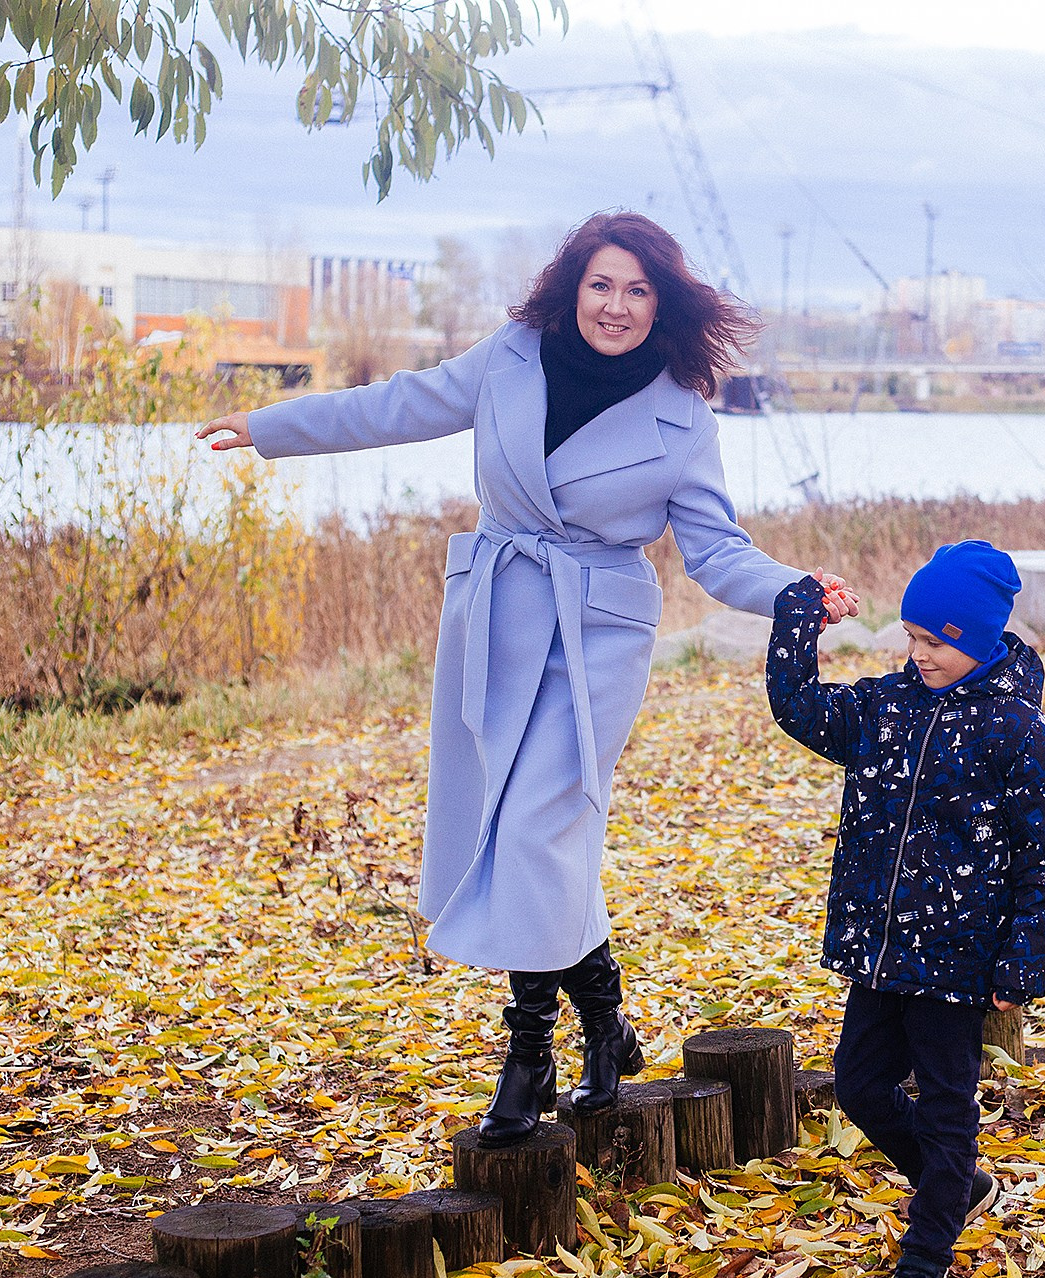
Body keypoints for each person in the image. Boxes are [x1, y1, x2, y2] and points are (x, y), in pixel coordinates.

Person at [197, 212, 859, 1146]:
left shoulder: (682, 416)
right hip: (502, 616)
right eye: (601, 284)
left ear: (661, 304)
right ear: (571, 287)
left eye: (638, 290)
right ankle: (606, 1028)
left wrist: (794, 588)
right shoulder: (512, 355)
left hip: (597, 635)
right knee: (527, 835)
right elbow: (397, 404)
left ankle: (529, 1053)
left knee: (543, 826)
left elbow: (715, 553)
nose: (616, 305)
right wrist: (269, 427)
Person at [764, 540, 1045, 1278]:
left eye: (934, 641)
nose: (918, 653)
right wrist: (799, 615)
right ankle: (957, 1183)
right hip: (879, 950)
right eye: (911, 636)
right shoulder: (884, 707)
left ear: (973, 640)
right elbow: (798, 706)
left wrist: (1022, 964)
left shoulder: (1021, 735)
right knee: (862, 1087)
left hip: (959, 963)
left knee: (946, 1109)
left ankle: (927, 1253)